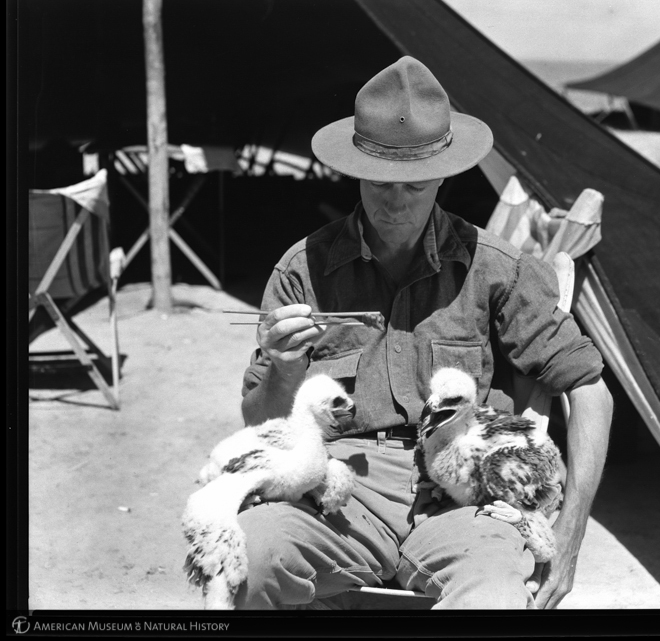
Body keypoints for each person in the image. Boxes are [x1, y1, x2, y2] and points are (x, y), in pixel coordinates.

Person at [236, 56, 613, 610]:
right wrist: (285, 364)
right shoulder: (304, 268)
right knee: (245, 561)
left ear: (444, 174)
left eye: (413, 185)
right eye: (378, 183)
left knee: (494, 596)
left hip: (462, 495)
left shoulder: (496, 269)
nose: (394, 203)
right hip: (336, 491)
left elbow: (591, 392)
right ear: (355, 171)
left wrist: (572, 533)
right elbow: (261, 424)